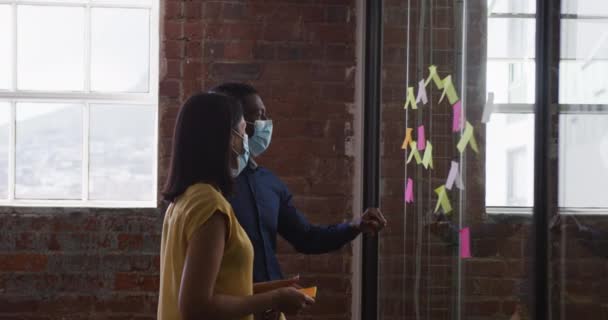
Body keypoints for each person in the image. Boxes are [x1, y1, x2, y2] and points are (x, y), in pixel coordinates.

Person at [211, 83, 388, 284]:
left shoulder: (269, 184)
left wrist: (354, 226)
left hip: (272, 310)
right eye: (257, 115)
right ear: (234, 122)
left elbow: (306, 237)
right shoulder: (209, 192)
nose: (264, 124)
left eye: (265, 115)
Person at [158, 92, 314, 320]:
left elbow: (220, 289)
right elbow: (196, 306)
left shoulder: (185, 199)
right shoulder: (209, 205)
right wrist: (275, 299)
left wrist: (274, 290)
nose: (246, 141)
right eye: (242, 132)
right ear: (228, 138)